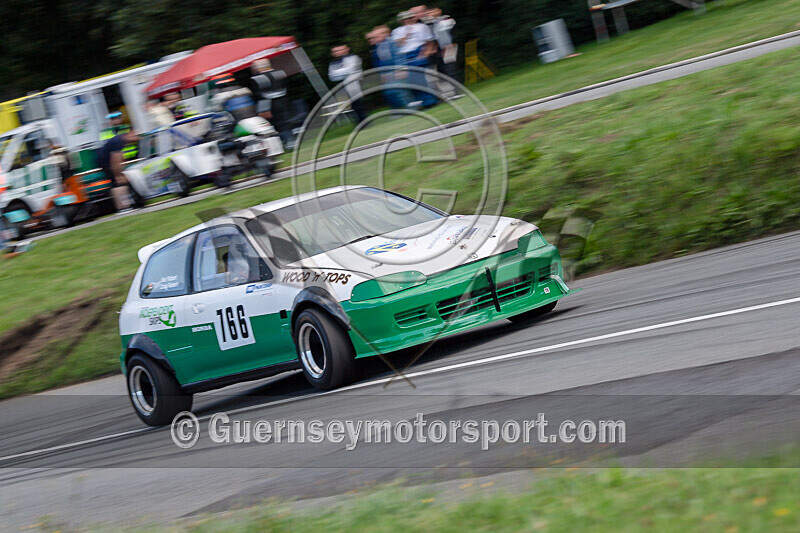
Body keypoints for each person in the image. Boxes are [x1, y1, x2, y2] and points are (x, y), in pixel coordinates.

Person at [392, 10, 437, 108]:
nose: (407, 20)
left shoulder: (422, 27)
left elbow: (429, 41)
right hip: (405, 55)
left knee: (420, 78)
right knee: (411, 80)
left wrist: (426, 53)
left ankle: (429, 101)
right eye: (404, 19)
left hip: (419, 51)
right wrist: (407, 33)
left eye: (409, 18)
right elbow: (398, 44)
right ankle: (421, 101)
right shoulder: (397, 31)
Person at [369, 25, 413, 109]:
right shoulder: (378, 46)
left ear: (385, 34)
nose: (375, 38)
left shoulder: (392, 42)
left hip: (397, 70)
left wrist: (401, 69)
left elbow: (399, 56)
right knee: (390, 92)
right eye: (375, 36)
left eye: (377, 35)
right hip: (387, 72)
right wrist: (382, 73)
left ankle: (411, 107)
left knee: (402, 91)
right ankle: (399, 109)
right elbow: (381, 61)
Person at [96, 131, 138, 212]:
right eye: (134, 137)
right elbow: (115, 161)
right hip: (106, 163)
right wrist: (118, 175)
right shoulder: (118, 142)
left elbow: (120, 158)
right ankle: (123, 207)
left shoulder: (119, 140)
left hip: (105, 162)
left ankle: (124, 206)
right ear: (128, 134)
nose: (134, 140)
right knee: (119, 183)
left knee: (119, 182)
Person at [328, 44, 367, 123]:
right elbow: (332, 76)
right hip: (342, 88)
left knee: (358, 104)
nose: (339, 52)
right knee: (348, 106)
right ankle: (358, 121)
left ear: (347, 49)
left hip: (354, 85)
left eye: (341, 50)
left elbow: (351, 70)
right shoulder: (333, 63)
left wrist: (338, 72)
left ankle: (364, 121)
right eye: (336, 51)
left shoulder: (354, 58)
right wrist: (344, 72)